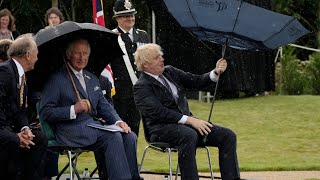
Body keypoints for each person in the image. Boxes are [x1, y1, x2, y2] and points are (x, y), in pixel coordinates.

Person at [133, 44, 241, 180]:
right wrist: (189, 120)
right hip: (159, 130)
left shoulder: (170, 71)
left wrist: (215, 72)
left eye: (161, 55)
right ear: (146, 65)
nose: (162, 59)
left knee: (227, 135)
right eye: (157, 57)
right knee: (188, 135)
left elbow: (196, 81)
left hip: (188, 126)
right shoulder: (141, 86)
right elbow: (158, 112)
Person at [40, 38, 143, 180]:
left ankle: (133, 177)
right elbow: (45, 112)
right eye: (77, 53)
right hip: (70, 131)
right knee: (113, 136)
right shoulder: (56, 79)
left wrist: (118, 121)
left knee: (129, 136)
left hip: (93, 126)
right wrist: (73, 109)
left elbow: (103, 105)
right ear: (68, 54)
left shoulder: (92, 77)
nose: (82, 58)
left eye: (85, 53)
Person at [0, 34, 47, 179]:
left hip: (10, 128)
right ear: (27, 55)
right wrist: (14, 136)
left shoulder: (22, 76)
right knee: (14, 143)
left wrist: (25, 129)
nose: (37, 59)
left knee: (38, 139)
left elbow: (20, 110)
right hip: (2, 128)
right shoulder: (5, 72)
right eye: (36, 55)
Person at [109, 0, 150, 136]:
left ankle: (132, 158)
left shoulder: (143, 35)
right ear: (117, 18)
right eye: (126, 15)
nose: (130, 18)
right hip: (119, 93)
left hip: (139, 92)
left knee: (135, 129)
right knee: (120, 131)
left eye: (132, 15)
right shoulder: (110, 37)